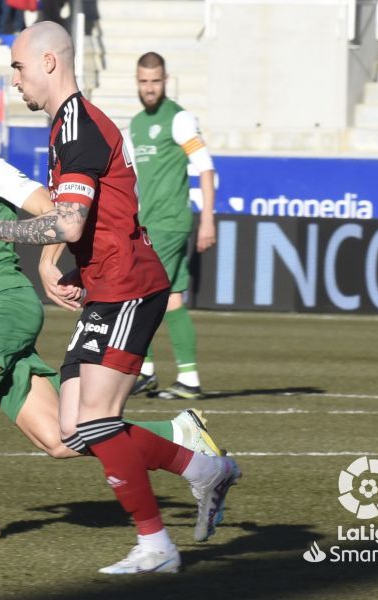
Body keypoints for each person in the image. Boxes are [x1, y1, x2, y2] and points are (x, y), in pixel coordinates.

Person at [0, 22, 240, 574]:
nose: (14, 81)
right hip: (107, 287)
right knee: (71, 427)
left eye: (18, 67)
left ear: (50, 63)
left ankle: (156, 546)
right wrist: (69, 265)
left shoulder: (77, 127)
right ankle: (204, 470)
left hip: (130, 287)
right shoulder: (66, 124)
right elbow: (88, 222)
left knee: (99, 419)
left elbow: (72, 221)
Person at [0, 79, 224, 543]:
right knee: (62, 441)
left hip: (5, 302)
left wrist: (47, 264)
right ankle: (183, 439)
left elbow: (55, 210)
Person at [124, 52, 216, 401]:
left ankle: (143, 371)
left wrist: (207, 218)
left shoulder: (179, 120)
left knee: (136, 292)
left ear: (166, 81)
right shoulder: (135, 124)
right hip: (149, 222)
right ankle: (189, 378)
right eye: (144, 82)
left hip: (170, 222)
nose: (150, 88)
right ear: (137, 82)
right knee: (172, 299)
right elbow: (132, 178)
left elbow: (205, 168)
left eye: (156, 81)